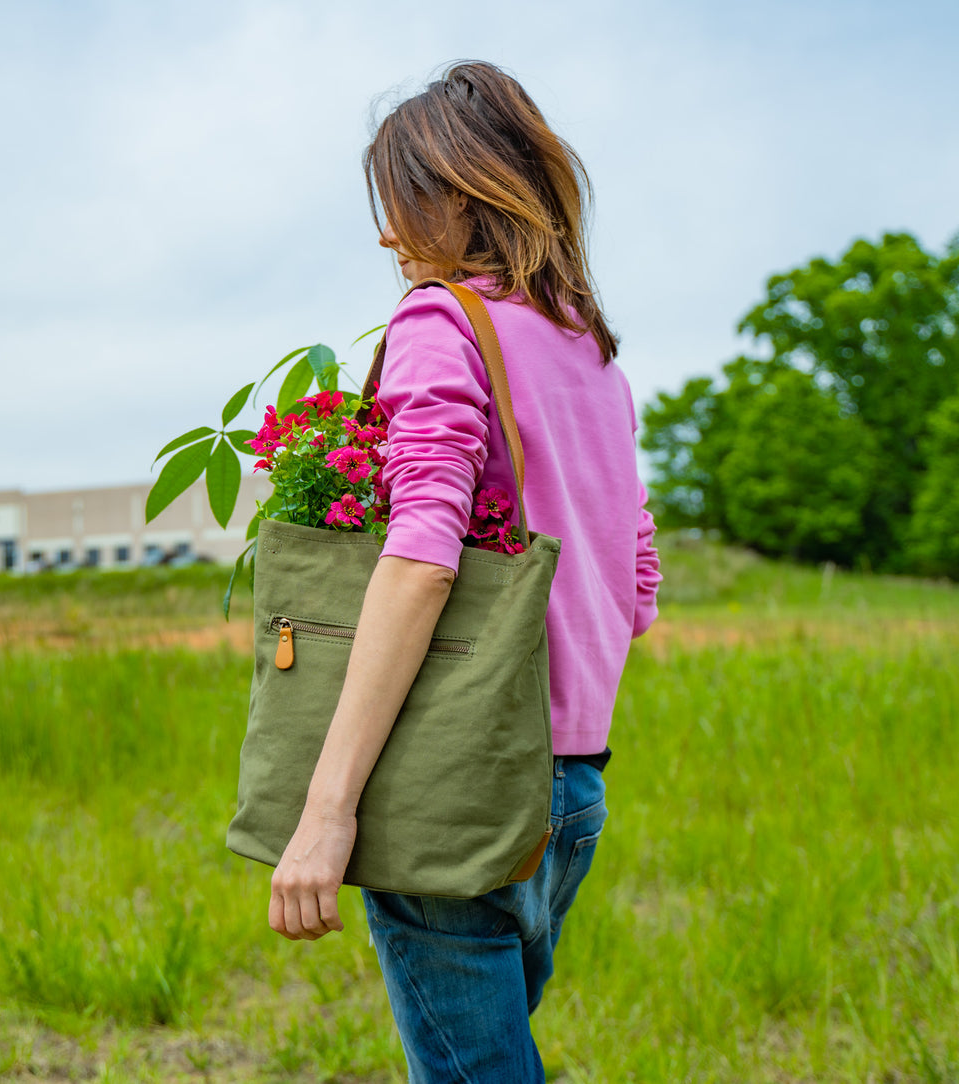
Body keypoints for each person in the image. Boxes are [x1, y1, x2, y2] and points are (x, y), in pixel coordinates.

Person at [267, 61, 662, 1082]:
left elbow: (417, 562)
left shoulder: (441, 325)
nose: (387, 234)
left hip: (456, 784)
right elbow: (638, 589)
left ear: (458, 195)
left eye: (399, 203)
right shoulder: (595, 358)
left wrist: (325, 810)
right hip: (573, 790)